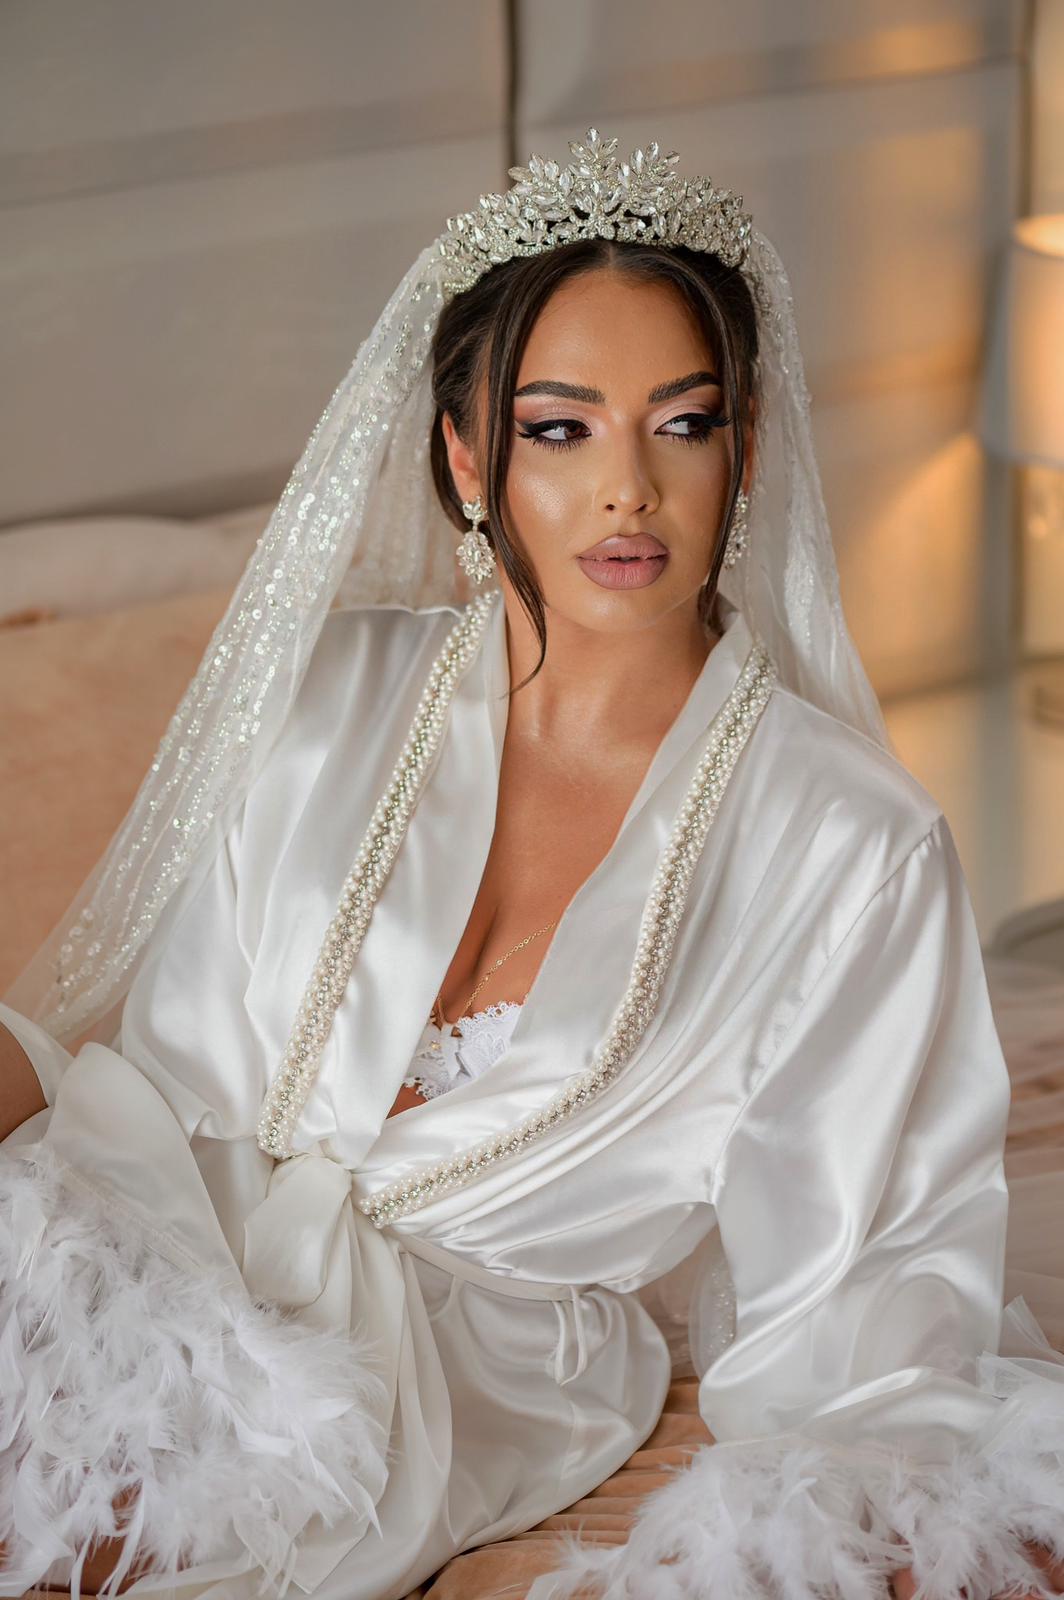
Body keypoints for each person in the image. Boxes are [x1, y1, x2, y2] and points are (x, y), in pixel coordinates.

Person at [0, 126, 1062, 1600]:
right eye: (560, 429)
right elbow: (167, 1083)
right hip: (163, 1230)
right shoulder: (333, 694)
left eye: (681, 423)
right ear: (466, 455)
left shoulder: (851, 847)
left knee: (86, 1531)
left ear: (746, 449)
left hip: (464, 1376)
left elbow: (867, 1296)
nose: (628, 488)